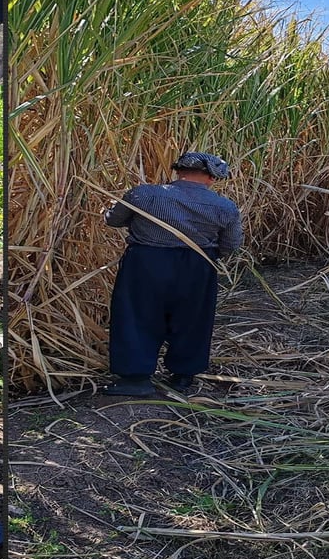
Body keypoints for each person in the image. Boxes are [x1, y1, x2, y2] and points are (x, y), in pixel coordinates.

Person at [103, 152, 243, 396]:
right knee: (193, 319)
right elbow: (231, 244)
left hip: (146, 262)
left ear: (178, 171)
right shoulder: (224, 207)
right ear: (211, 177)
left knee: (137, 315)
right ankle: (182, 376)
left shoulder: (143, 194)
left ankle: (135, 379)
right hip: (197, 264)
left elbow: (114, 221)